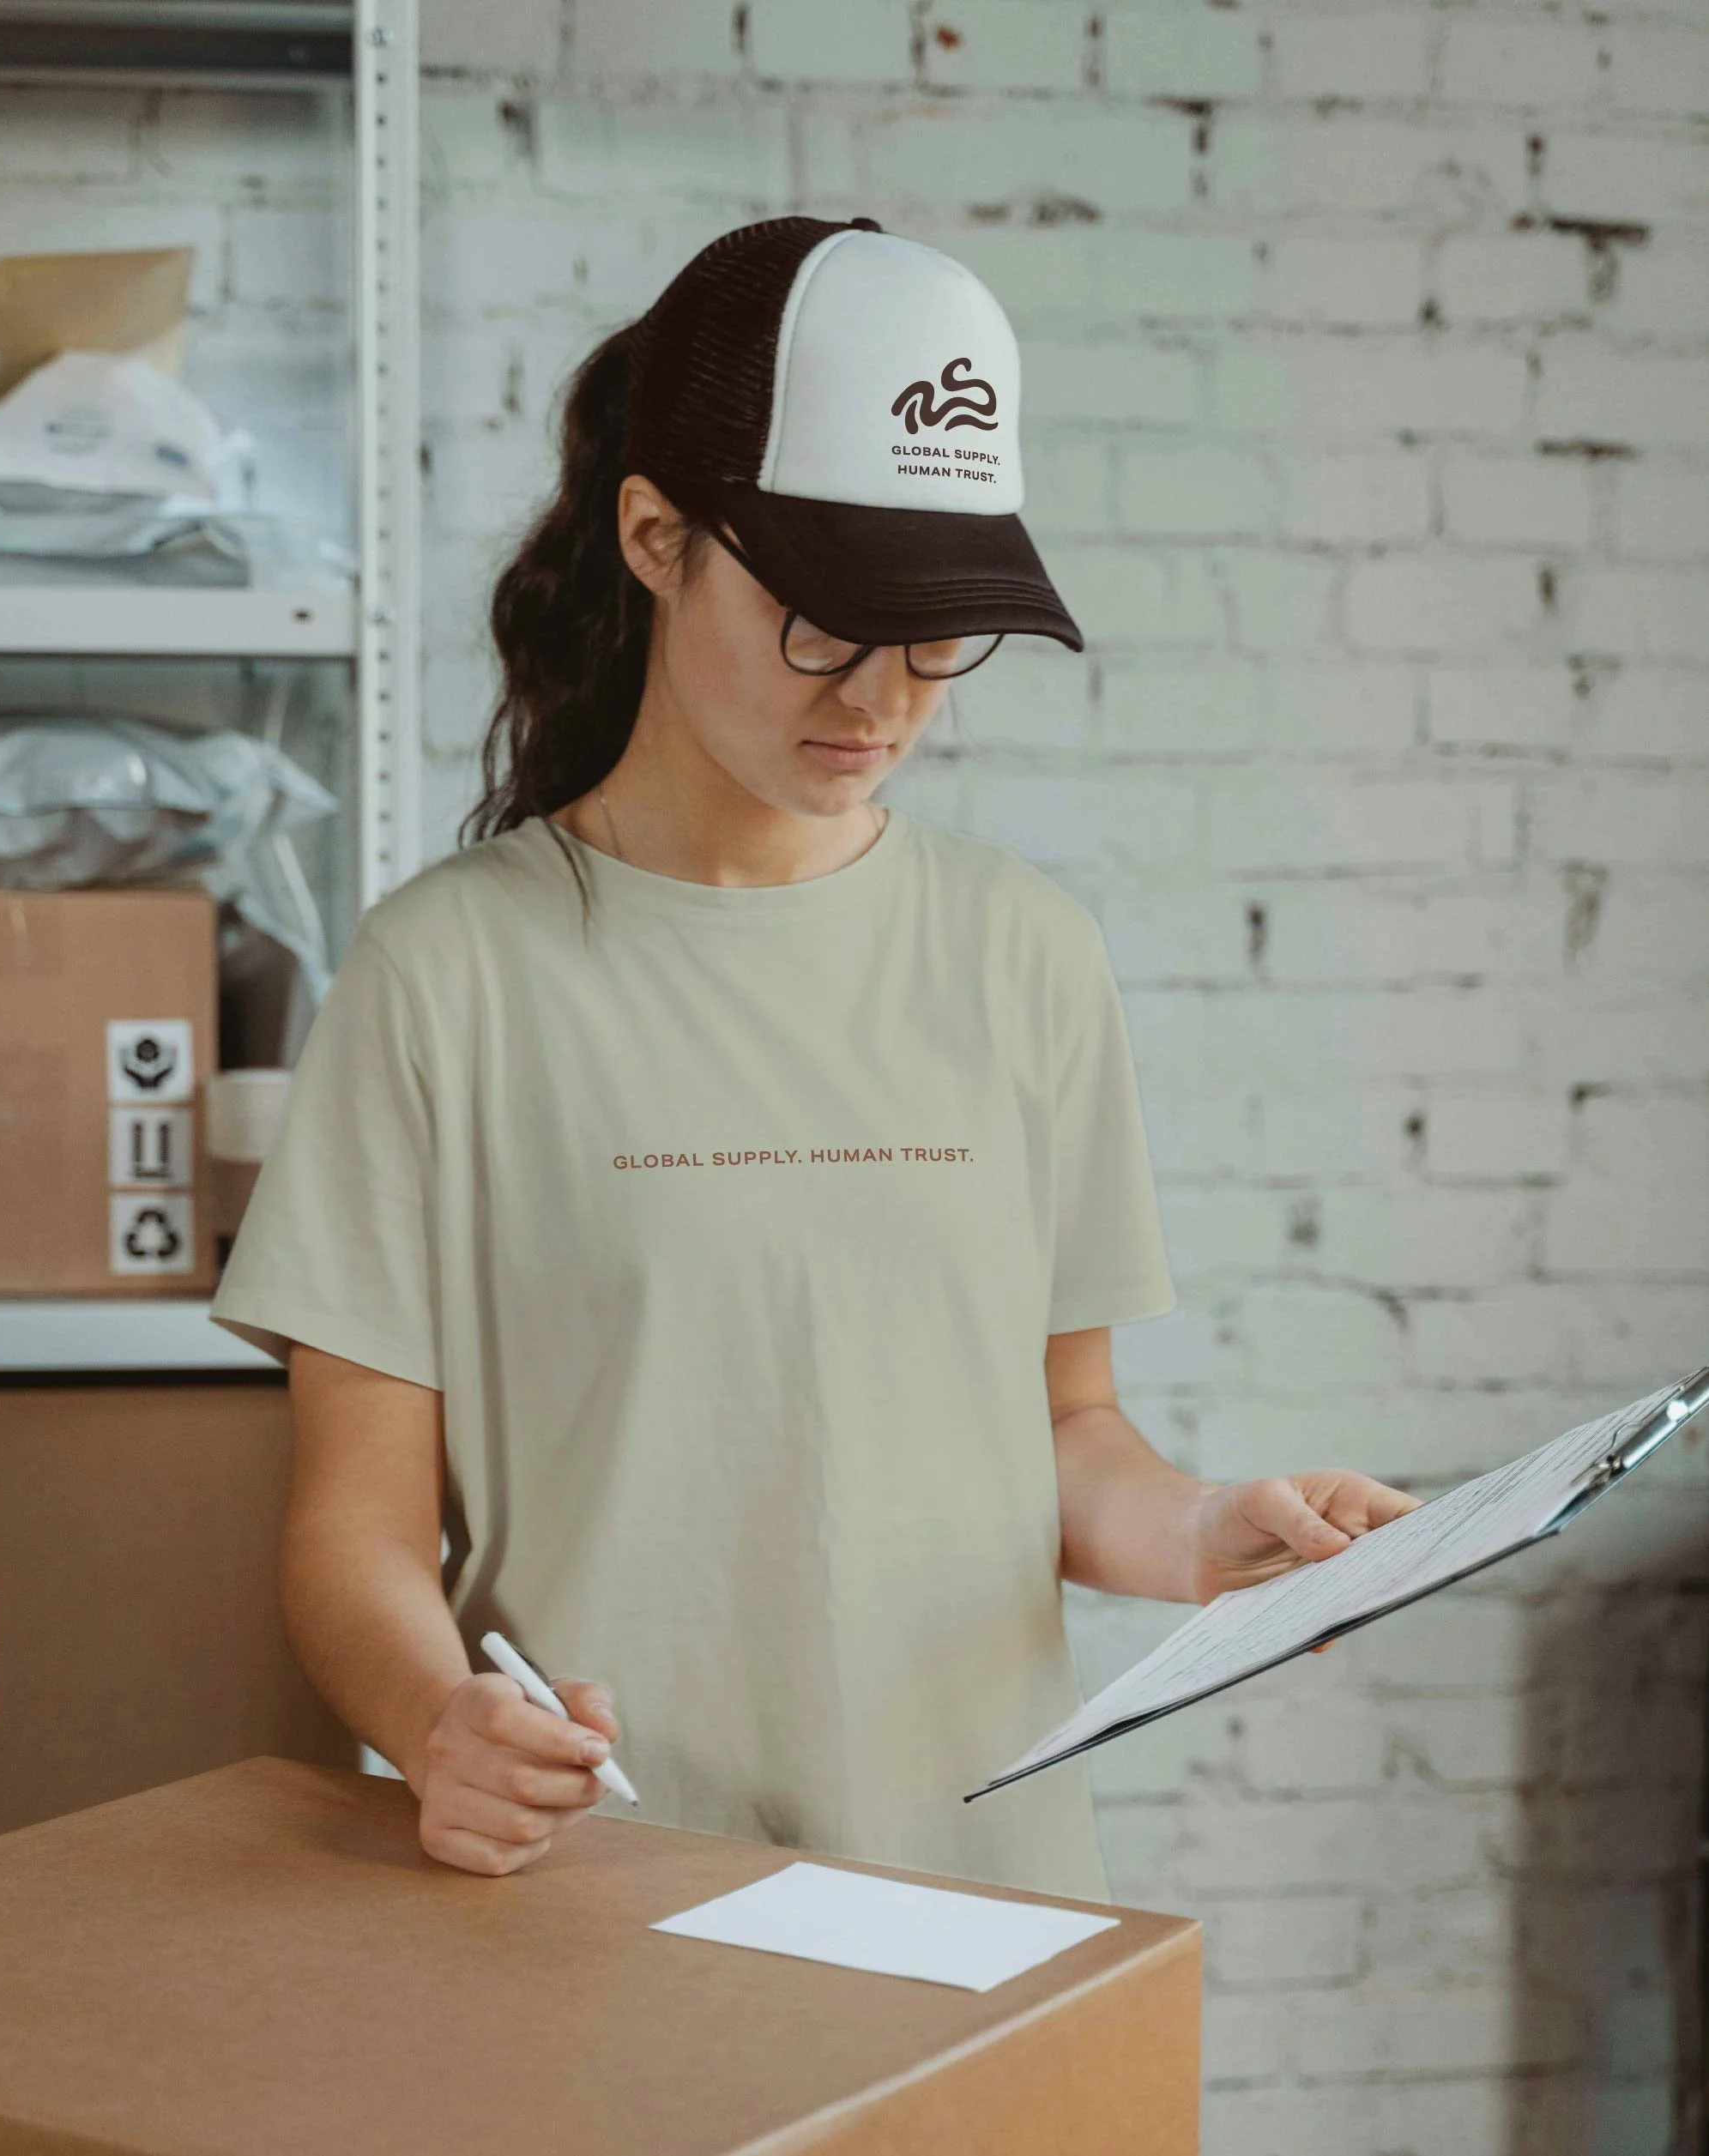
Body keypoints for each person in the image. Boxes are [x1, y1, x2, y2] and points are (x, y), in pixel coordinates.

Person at [209, 215, 1417, 1902]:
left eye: (937, 633)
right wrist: (440, 1725)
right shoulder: (447, 976)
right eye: (823, 623)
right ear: (654, 536)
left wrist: (1209, 1534)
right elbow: (352, 1531)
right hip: (606, 1903)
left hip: (982, 1896)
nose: (884, 697)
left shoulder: (1024, 955)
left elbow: (1064, 1428)